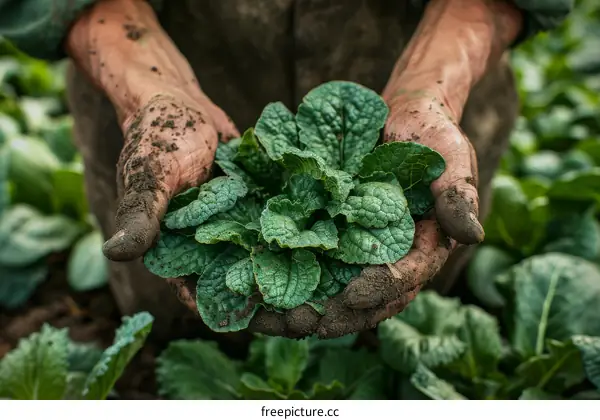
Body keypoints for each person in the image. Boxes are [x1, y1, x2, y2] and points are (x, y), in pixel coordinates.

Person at [0, 0, 572, 339]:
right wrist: (153, 92)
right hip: (158, 56)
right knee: (167, 309)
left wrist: (433, 86)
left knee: (406, 292)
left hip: (421, 49)